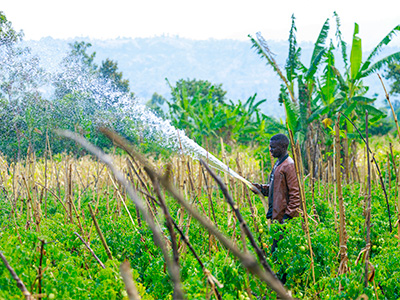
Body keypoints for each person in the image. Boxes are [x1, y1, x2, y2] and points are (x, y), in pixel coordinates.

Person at [252, 133, 301, 225]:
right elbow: (277, 188)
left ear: (282, 147)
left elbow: (295, 194)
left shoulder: (289, 165)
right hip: (276, 215)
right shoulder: (279, 163)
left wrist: (287, 217)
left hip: (284, 219)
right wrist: (261, 189)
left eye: (273, 147)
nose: (270, 150)